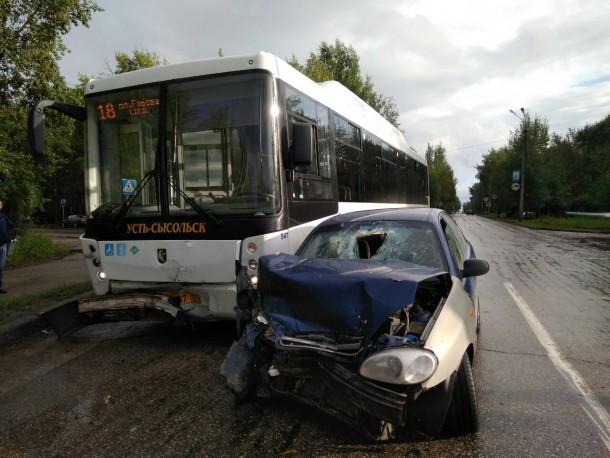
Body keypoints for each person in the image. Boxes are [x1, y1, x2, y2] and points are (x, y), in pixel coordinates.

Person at [0, 200, 15, 293]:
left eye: (0, 204)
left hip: (3, 245)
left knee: (0, 266)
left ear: (1, 206)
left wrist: (10, 236)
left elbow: (10, 227)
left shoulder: (3, 217)